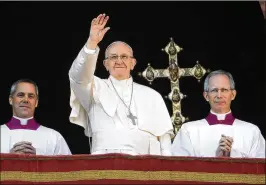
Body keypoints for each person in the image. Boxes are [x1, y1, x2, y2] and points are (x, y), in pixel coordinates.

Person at [68, 13, 174, 155]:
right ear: (105, 64)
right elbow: (77, 76)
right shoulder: (93, 88)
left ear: (132, 63)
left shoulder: (152, 96)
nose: (119, 61)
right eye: (113, 57)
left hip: (144, 169)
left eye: (124, 57)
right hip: (104, 166)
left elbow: (165, 144)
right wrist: (92, 43)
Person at [171, 70, 265, 158]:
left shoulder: (251, 131)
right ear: (206, 96)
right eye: (214, 90)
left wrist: (232, 156)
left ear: (233, 95)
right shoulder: (188, 131)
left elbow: (259, 169)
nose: (219, 95)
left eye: (224, 90)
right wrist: (216, 159)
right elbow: (180, 169)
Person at [0, 79, 72, 155]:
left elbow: (67, 166)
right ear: (11, 100)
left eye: (31, 96)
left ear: (36, 102)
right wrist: (7, 160)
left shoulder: (54, 137)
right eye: (21, 95)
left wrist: (38, 160)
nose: (26, 100)